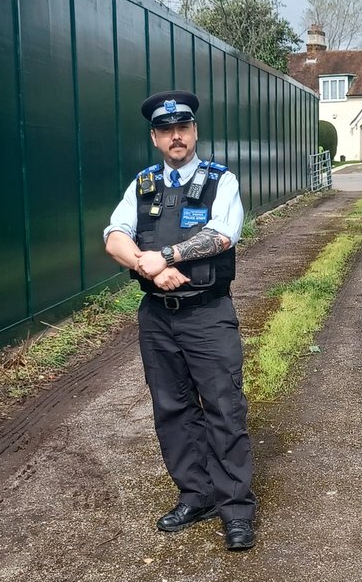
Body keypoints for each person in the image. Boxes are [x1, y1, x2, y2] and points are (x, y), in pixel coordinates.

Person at [103, 90, 257, 551]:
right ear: (155, 137)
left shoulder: (220, 181)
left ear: (194, 132)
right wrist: (148, 266)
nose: (176, 136)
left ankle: (236, 510)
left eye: (183, 128)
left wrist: (166, 256)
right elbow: (114, 237)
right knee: (172, 410)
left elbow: (223, 234)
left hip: (207, 314)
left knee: (224, 408)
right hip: (157, 318)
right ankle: (197, 495)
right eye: (166, 130)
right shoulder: (143, 184)